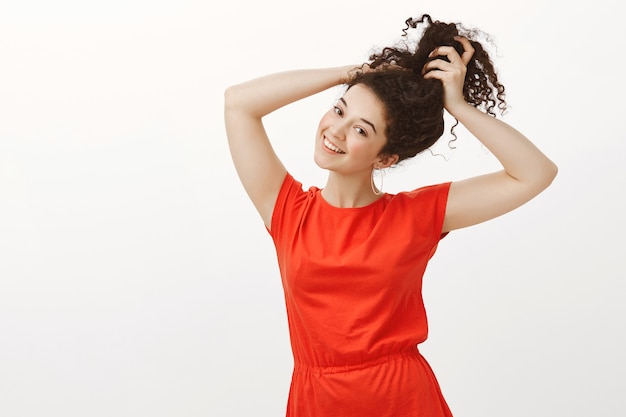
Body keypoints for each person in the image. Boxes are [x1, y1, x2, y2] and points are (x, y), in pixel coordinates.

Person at [224, 13, 557, 417]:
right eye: (339, 110)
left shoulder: (416, 215)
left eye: (361, 130)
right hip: (317, 399)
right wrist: (356, 73)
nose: (336, 130)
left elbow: (535, 173)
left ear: (386, 157)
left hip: (402, 398)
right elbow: (238, 103)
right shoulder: (288, 210)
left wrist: (458, 107)